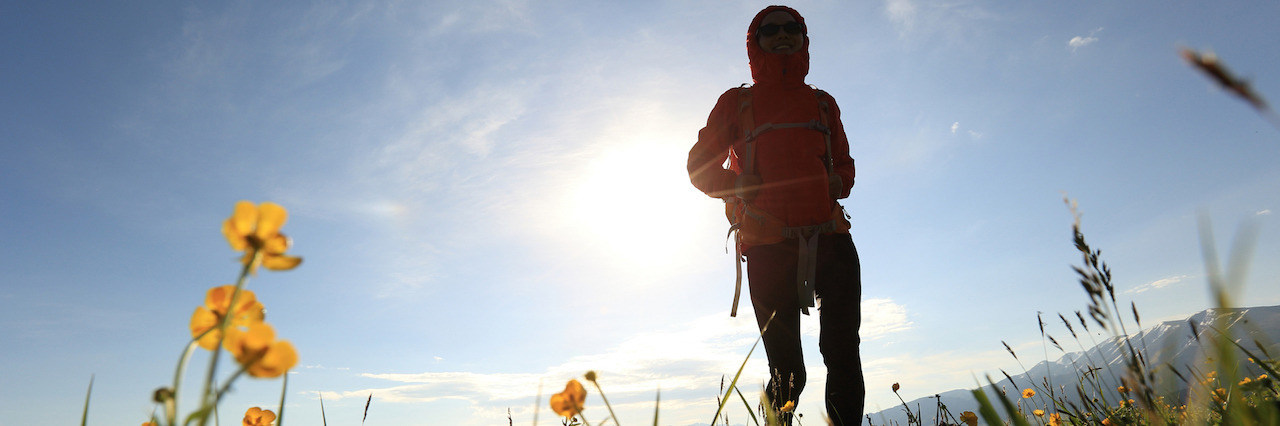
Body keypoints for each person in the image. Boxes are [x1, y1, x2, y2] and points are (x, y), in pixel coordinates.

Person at [686, 5, 864, 425]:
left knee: (843, 358)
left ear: (804, 39)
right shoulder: (737, 102)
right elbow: (699, 167)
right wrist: (739, 187)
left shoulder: (823, 103)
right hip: (768, 246)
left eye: (792, 29)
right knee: (788, 375)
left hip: (832, 242)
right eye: (770, 30)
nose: (782, 35)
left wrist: (838, 181)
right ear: (755, 42)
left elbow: (846, 166)